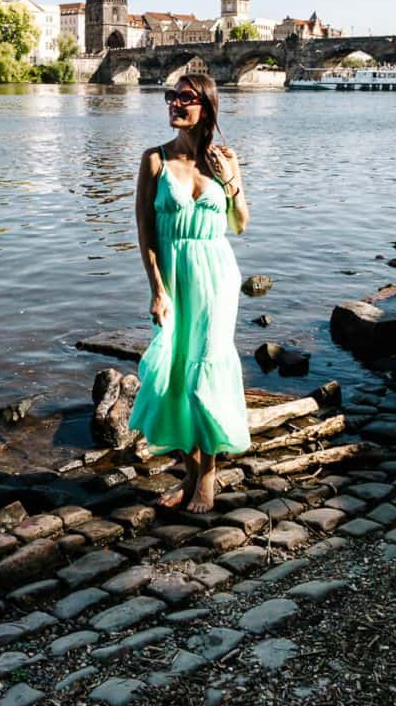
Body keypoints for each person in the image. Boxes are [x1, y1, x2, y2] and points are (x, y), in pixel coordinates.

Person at [129, 74, 250, 513]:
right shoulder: (155, 161)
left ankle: (209, 474)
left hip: (216, 276)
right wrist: (157, 288)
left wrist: (230, 183)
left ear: (206, 107)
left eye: (185, 97)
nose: (174, 104)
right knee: (176, 372)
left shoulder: (225, 159)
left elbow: (239, 224)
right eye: (171, 96)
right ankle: (189, 470)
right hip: (175, 277)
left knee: (208, 369)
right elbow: (145, 230)